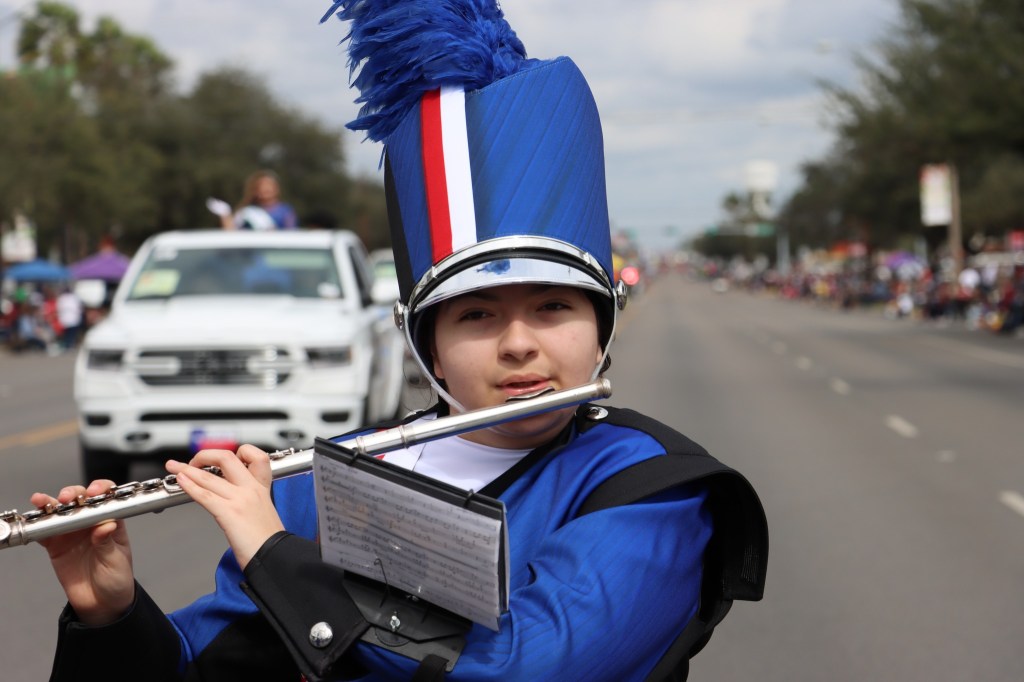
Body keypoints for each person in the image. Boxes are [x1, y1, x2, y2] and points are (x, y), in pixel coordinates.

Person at [34, 2, 768, 680]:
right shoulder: (342, 477)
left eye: (551, 308)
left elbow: (526, 667)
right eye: (476, 316)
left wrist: (281, 561)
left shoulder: (648, 487)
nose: (519, 344)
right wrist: (112, 615)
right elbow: (210, 665)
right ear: (429, 344)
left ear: (602, 325)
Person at [209, 169, 298, 230]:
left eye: (269, 186)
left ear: (276, 189)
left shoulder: (286, 211)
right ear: (255, 190)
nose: (266, 189)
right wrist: (225, 215)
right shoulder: (246, 212)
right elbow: (232, 233)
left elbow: (291, 235)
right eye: (262, 186)